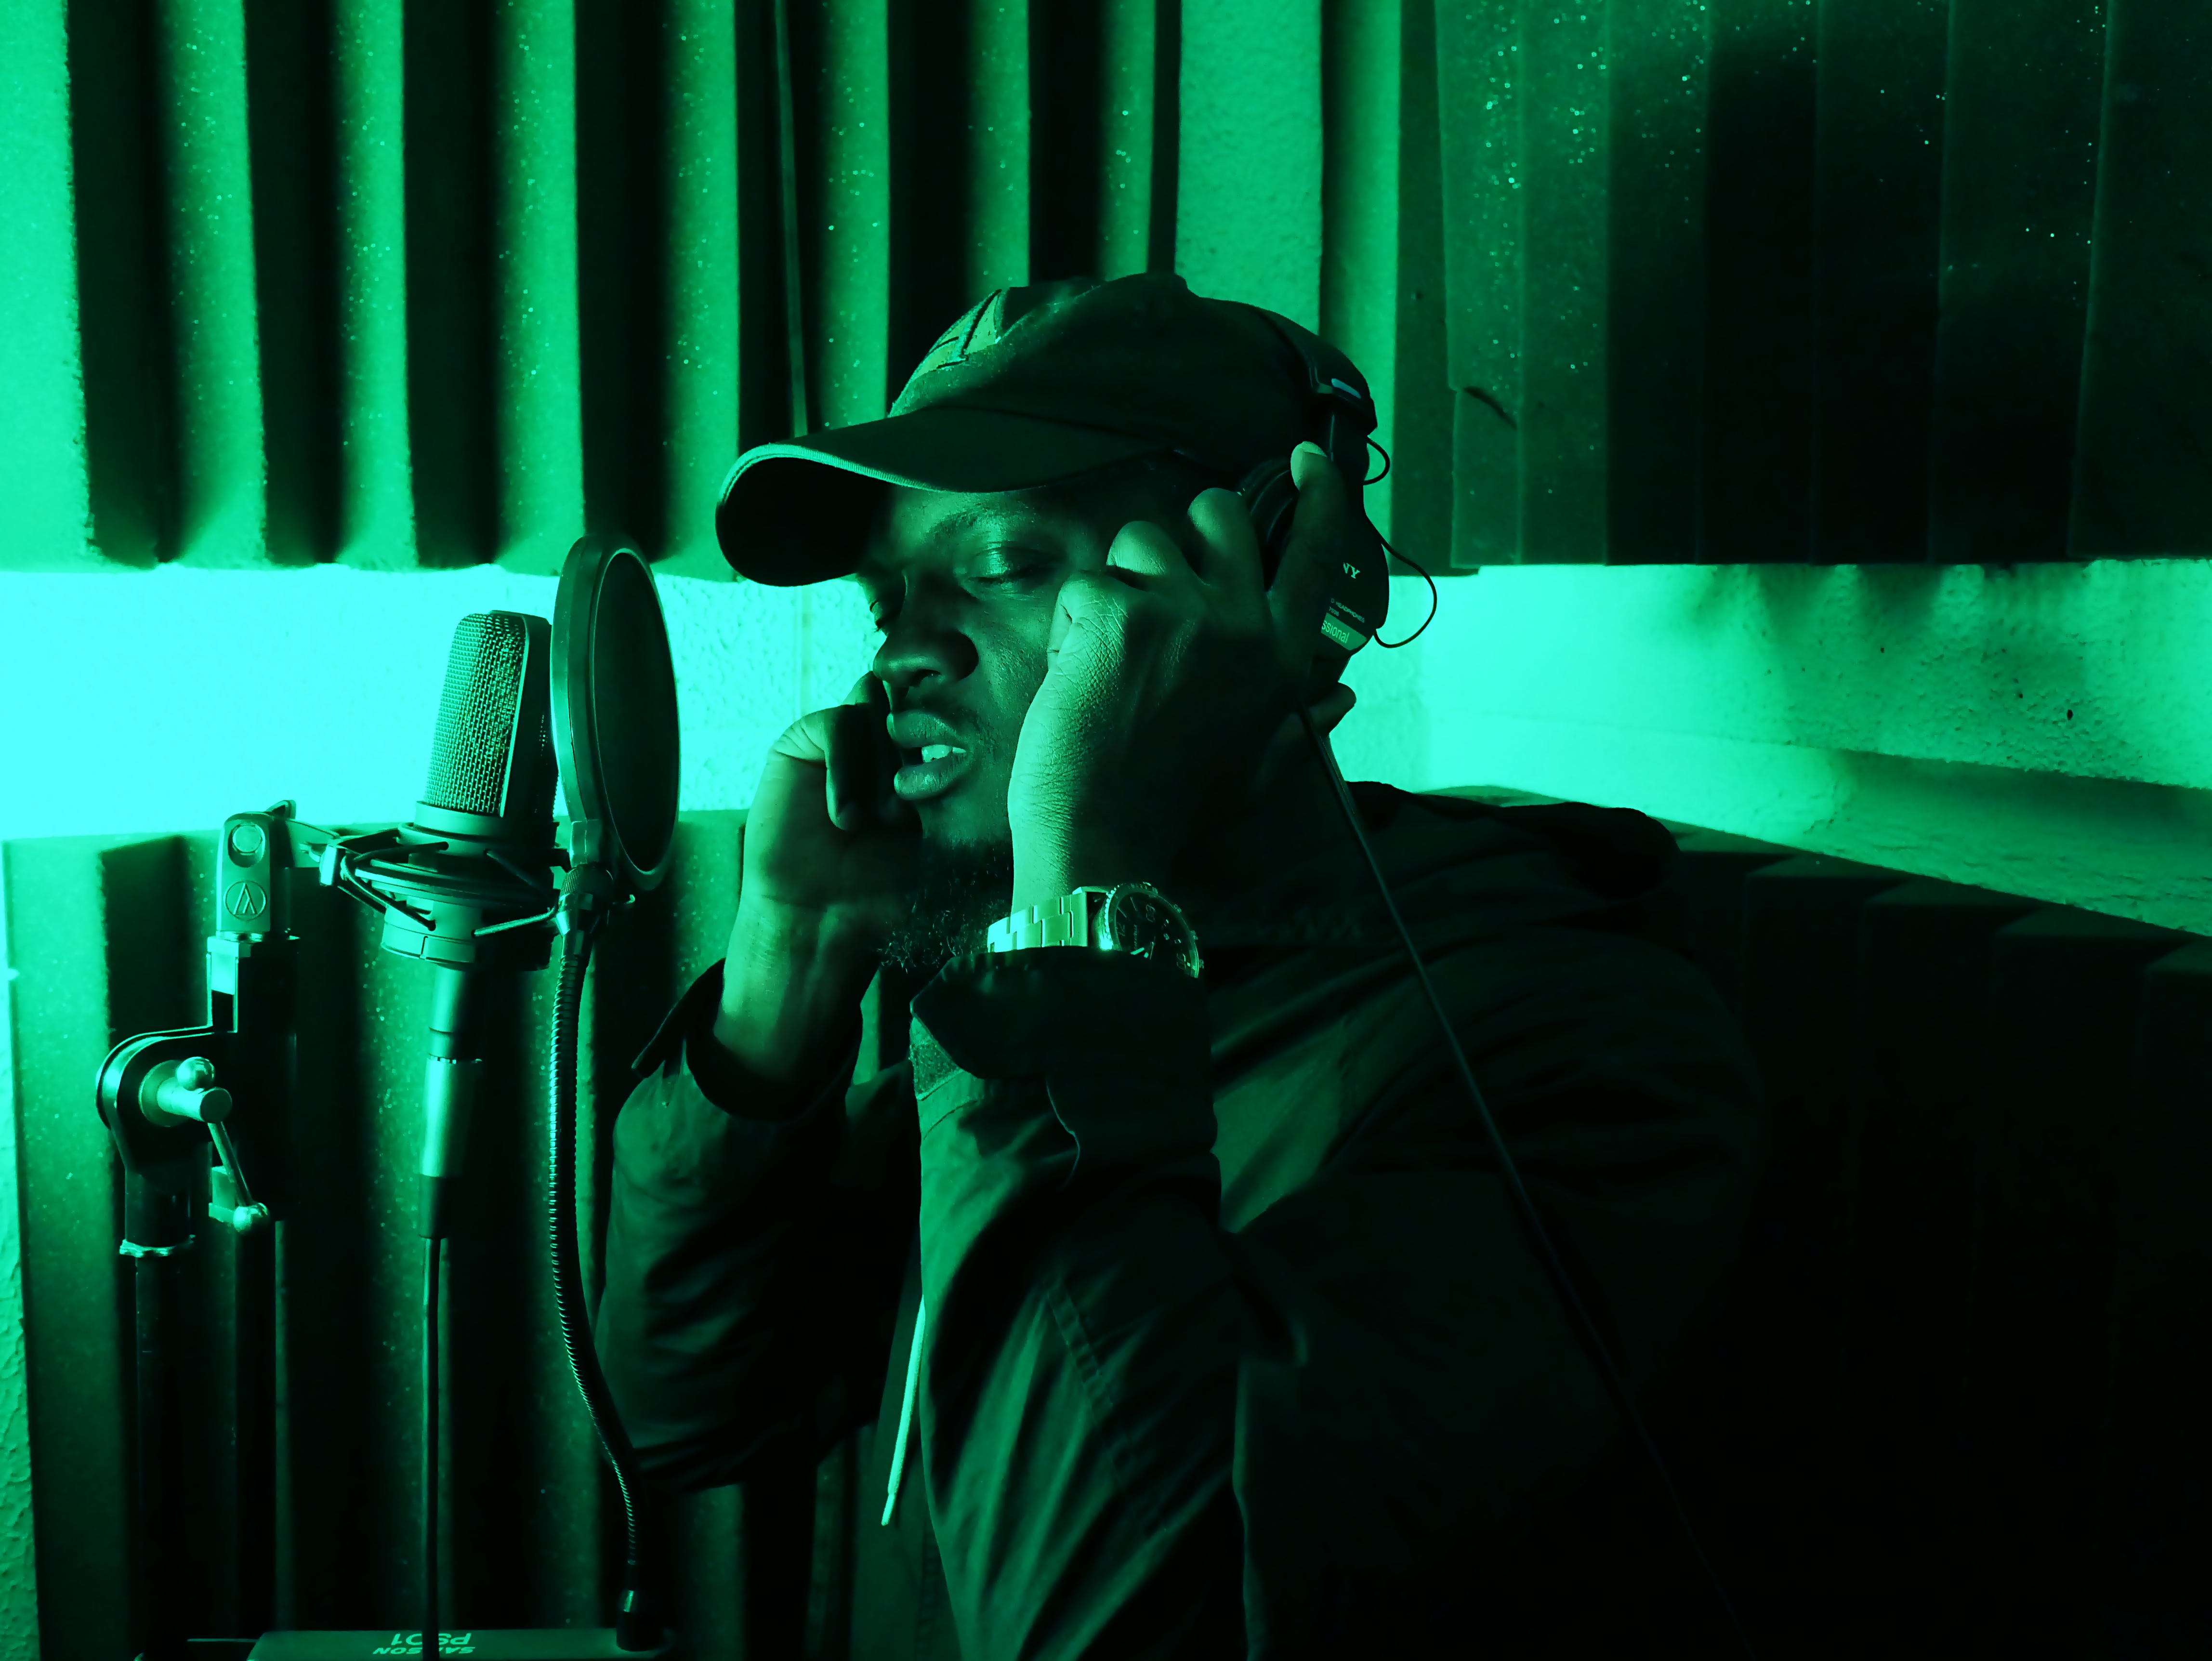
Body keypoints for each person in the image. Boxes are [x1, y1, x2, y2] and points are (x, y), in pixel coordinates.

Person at [595, 273, 1763, 1658]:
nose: (903, 654)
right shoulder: (1024, 1023)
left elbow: (1121, 1627)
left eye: (1003, 565)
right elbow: (687, 1416)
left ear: (1279, 572)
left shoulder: (1590, 1060)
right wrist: (785, 968)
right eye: (887, 602)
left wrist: (1081, 881)